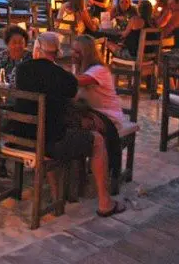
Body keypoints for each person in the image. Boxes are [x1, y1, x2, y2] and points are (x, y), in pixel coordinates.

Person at [13, 32, 125, 217]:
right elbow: (70, 96)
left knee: (56, 129)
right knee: (96, 140)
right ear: (56, 53)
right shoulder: (62, 77)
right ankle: (105, 203)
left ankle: (59, 195)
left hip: (22, 137)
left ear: (36, 50)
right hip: (49, 144)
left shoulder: (21, 70)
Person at [72, 35, 125, 131]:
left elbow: (76, 81)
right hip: (92, 113)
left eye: (77, 52)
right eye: (73, 51)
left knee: (73, 126)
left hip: (108, 117)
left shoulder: (99, 70)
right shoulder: (78, 69)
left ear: (86, 54)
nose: (73, 54)